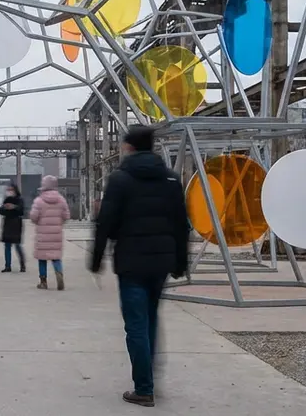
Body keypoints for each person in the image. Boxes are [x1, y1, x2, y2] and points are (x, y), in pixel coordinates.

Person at [90, 125, 189, 409]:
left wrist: (96, 259)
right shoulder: (170, 179)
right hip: (160, 262)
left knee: (135, 324)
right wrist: (180, 261)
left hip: (131, 262)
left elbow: (105, 222)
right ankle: (150, 378)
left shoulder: (120, 180)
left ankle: (144, 388)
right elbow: (181, 225)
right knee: (151, 318)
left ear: (129, 147)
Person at [30, 174, 71, 291]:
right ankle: (59, 274)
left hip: (42, 234)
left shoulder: (39, 201)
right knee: (56, 257)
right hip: (56, 233)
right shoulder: (61, 200)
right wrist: (59, 222)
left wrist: (39, 221)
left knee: (42, 258)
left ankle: (43, 282)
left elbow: (33, 217)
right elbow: (66, 215)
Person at [0, 182, 26, 273]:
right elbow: (1, 211)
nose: (9, 191)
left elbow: (22, 211)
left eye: (11, 190)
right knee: (7, 246)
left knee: (17, 245)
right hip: (7, 224)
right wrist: (4, 208)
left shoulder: (19, 199)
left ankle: (22, 265)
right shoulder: (6, 199)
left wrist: (14, 207)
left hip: (16, 224)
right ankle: (7, 266)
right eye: (8, 190)